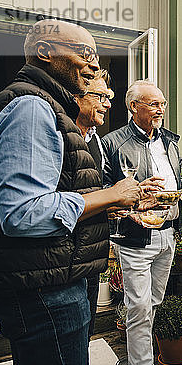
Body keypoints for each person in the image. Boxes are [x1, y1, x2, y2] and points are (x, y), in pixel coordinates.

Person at [0, 19, 140, 365]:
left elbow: (58, 194)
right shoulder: (31, 108)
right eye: (85, 53)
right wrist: (112, 193)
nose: (93, 64)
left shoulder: (46, 107)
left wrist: (112, 204)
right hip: (45, 292)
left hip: (51, 279)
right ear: (45, 52)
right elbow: (22, 213)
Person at [102, 79, 182, 365]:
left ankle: (136, 359)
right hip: (135, 237)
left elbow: (174, 185)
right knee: (140, 308)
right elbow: (104, 190)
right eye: (154, 103)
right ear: (133, 106)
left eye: (163, 103)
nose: (161, 109)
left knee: (152, 305)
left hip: (167, 233)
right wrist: (133, 201)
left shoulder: (170, 141)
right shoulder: (113, 142)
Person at [74, 69, 114, 337]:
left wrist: (127, 201)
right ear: (78, 97)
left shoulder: (96, 141)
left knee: (84, 334)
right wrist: (114, 196)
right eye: (101, 96)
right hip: (63, 263)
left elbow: (97, 191)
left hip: (89, 256)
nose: (108, 104)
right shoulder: (57, 134)